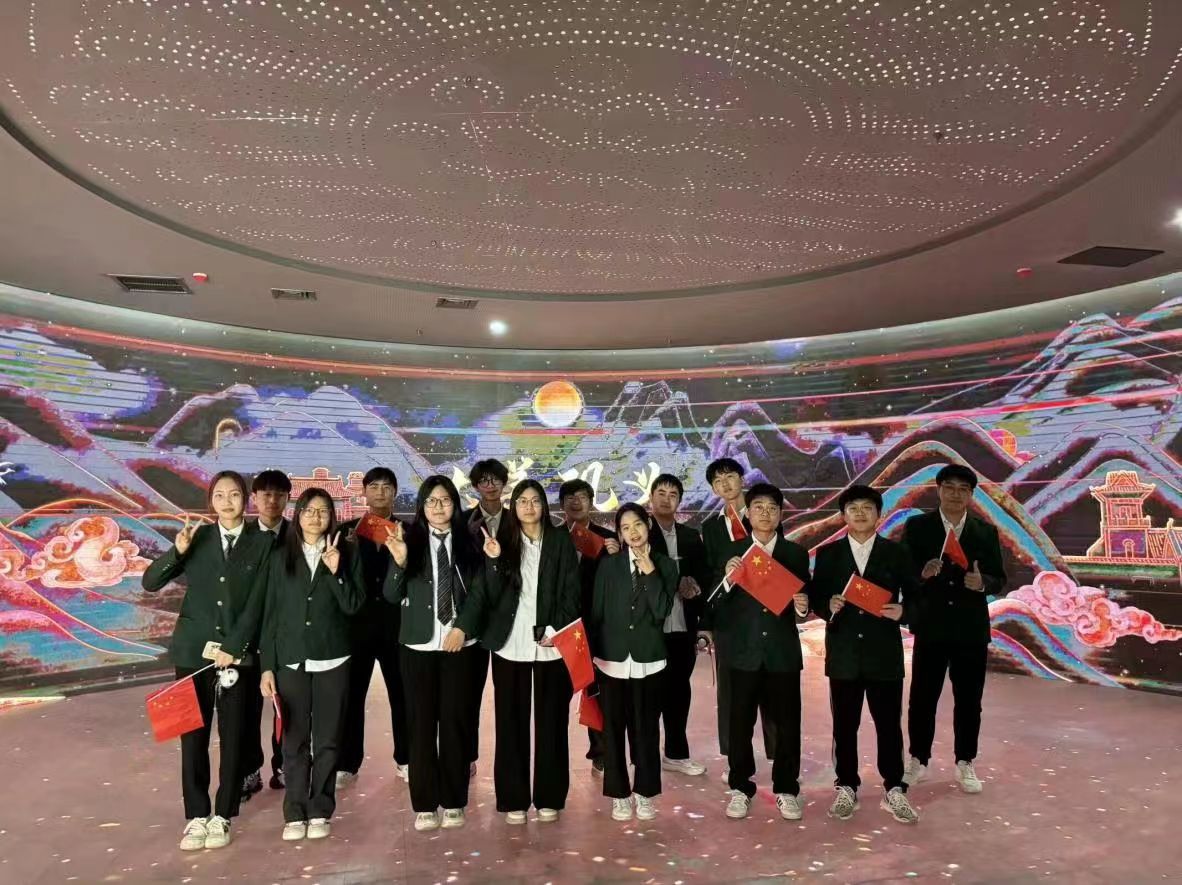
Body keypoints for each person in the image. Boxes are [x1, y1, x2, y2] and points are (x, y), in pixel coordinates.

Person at [141, 471, 272, 851]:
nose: (227, 502)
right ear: (211, 501)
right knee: (192, 736)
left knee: (234, 737)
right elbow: (151, 582)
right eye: (220, 495)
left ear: (246, 500)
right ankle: (197, 815)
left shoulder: (263, 542)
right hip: (192, 653)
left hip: (238, 655)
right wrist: (177, 551)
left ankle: (223, 814)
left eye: (234, 495)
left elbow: (259, 601)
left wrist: (235, 644)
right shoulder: (195, 539)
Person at [383, 475, 499, 831]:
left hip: (459, 648)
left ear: (455, 504)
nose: (438, 507)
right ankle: (424, 804)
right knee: (420, 726)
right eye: (431, 500)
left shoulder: (471, 542)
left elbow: (480, 592)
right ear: (422, 505)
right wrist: (399, 563)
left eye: (445, 500)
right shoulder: (407, 541)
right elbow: (391, 595)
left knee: (455, 724)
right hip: (418, 647)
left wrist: (462, 628)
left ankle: (453, 800)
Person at [462, 480, 581, 824]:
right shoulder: (502, 540)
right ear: (513, 506)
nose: (529, 507)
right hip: (510, 643)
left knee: (552, 722)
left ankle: (549, 797)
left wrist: (557, 628)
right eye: (522, 501)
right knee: (510, 723)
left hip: (551, 644)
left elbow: (571, 590)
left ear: (544, 506)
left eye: (535, 501)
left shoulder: (560, 540)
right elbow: (490, 592)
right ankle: (513, 798)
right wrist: (493, 561)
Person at [807, 485, 919, 824]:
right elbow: (817, 597)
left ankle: (894, 787)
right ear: (843, 515)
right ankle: (846, 786)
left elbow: (917, 597)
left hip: (883, 653)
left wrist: (904, 611)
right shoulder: (829, 554)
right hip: (844, 653)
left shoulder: (897, 553)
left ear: (878, 514)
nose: (859, 513)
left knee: (889, 725)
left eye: (867, 508)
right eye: (852, 508)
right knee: (844, 725)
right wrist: (827, 605)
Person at [258, 489, 365, 842]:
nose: (315, 517)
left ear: (332, 517)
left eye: (323, 511)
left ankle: (320, 808)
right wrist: (267, 666)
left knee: (329, 740)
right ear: (298, 514)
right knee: (294, 741)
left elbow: (354, 606)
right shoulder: (280, 557)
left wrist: (336, 572)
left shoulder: (347, 553)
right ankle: (294, 810)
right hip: (291, 659)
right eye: (308, 510)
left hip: (333, 657)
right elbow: (270, 616)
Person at [902, 464, 1006, 794]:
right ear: (939, 490)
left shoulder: (984, 531)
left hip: (970, 630)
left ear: (971, 495)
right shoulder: (918, 526)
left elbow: (1000, 578)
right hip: (930, 627)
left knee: (969, 700)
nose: (956, 494)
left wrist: (982, 582)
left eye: (963, 489)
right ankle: (918, 759)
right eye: (949, 487)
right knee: (922, 698)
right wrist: (921, 574)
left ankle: (965, 761)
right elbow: (903, 572)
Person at [711, 482, 809, 821]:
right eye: (758, 507)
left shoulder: (795, 554)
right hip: (742, 653)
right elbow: (715, 605)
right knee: (739, 723)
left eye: (772, 508)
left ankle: (786, 788)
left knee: (787, 724)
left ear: (780, 515)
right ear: (748, 513)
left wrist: (802, 607)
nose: (765, 513)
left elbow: (804, 605)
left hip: (782, 653)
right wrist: (727, 580)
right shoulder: (732, 553)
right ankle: (740, 787)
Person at [589, 503, 677, 823]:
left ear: (648, 525)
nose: (633, 532)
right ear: (619, 533)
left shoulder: (666, 566)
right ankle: (619, 794)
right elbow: (597, 613)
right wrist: (593, 657)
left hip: (648, 659)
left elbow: (661, 611)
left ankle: (645, 792)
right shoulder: (609, 566)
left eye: (637, 524)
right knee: (612, 730)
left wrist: (650, 571)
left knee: (646, 730)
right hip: (611, 660)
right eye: (625, 528)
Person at [697, 458, 776, 767]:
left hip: (766, 611)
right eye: (718, 481)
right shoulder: (711, 527)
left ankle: (777, 754)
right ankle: (734, 757)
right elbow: (709, 574)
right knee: (730, 691)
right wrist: (707, 621)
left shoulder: (764, 513)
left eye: (730, 476)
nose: (725, 484)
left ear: (742, 479)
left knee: (770, 686)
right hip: (729, 617)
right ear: (714, 489)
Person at [336, 467, 410, 790]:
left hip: (397, 627)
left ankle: (406, 758)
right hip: (357, 628)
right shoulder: (347, 532)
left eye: (386, 486)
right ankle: (346, 763)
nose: (380, 492)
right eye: (374, 486)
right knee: (351, 696)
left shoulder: (410, 531)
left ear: (395, 492)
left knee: (402, 695)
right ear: (364, 492)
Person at [646, 473, 711, 777]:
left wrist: (695, 588)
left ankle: (675, 754)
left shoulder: (690, 536)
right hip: (650, 628)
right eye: (661, 493)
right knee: (649, 695)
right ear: (651, 497)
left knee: (679, 692)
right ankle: (644, 756)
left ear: (680, 501)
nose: (666, 499)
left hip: (683, 626)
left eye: (673, 494)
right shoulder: (641, 533)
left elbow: (704, 578)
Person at [558, 478, 619, 774]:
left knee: (596, 691)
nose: (576, 501)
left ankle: (601, 752)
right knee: (556, 693)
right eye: (570, 497)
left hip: (597, 626)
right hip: (561, 628)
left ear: (591, 502)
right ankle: (553, 755)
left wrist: (616, 555)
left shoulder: (608, 539)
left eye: (582, 496)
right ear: (561, 504)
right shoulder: (552, 537)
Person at [241, 469, 291, 797]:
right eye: (266, 494)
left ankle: (284, 764)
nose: (272, 501)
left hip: (285, 636)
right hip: (247, 637)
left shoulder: (298, 535)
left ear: (288, 499)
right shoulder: (240, 536)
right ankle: (249, 769)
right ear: (254, 498)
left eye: (279, 495)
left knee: (286, 706)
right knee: (245, 707)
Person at [462, 458, 508, 774]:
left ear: (504, 483)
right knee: (468, 692)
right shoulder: (463, 522)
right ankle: (467, 755)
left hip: (508, 617)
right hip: (475, 617)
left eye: (495, 480)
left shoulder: (517, 519)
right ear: (476, 486)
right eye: (484, 480)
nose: (490, 486)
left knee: (508, 694)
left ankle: (508, 760)